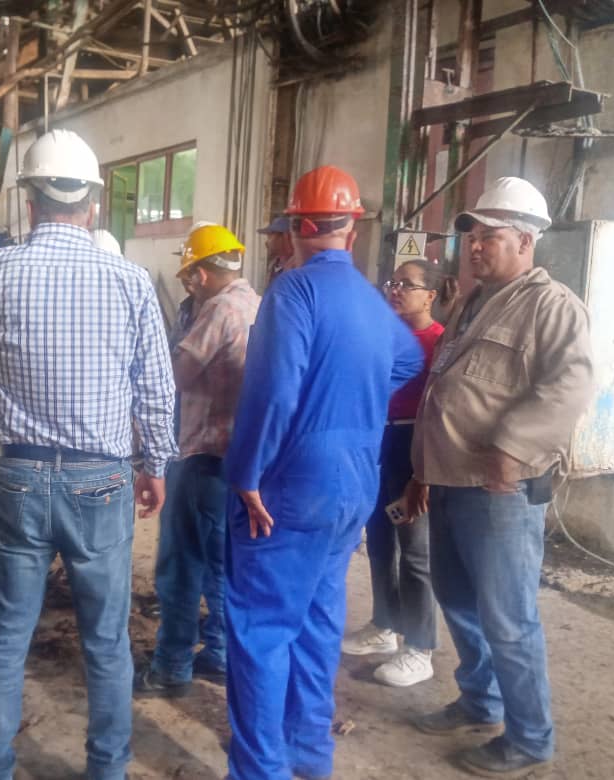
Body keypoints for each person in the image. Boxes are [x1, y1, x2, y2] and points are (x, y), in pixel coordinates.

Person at [0, 128, 176, 780]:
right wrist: (155, 465)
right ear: (94, 204)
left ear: (29, 201)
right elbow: (156, 390)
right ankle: (107, 769)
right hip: (100, 481)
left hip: (18, 474)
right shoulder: (131, 280)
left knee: (5, 634)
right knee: (106, 641)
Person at [221, 165, 424, 780]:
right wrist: (349, 399)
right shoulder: (369, 297)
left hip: (290, 485)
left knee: (260, 630)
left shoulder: (293, 291)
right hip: (353, 483)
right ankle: (310, 756)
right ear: (352, 230)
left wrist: (248, 473)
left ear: (297, 227)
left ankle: (261, 772)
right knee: (316, 621)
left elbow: (273, 392)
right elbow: (410, 357)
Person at [409, 177, 594, 777]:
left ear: (525, 241)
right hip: (453, 478)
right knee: (458, 600)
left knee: (510, 619)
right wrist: (423, 470)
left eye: (490, 237)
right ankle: (480, 699)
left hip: (500, 489)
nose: (475, 248)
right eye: (473, 237)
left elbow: (569, 388)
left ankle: (530, 737)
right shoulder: (470, 300)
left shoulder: (552, 306)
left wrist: (511, 451)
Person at [135, 223, 260, 698]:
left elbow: (174, 377)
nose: (186, 282)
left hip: (201, 453)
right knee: (219, 565)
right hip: (235, 458)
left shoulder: (219, 310)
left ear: (204, 273)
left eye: (190, 273)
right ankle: (221, 653)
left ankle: (171, 666)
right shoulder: (254, 302)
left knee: (180, 565)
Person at [341, 259, 445, 687]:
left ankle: (419, 649)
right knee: (381, 541)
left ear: (431, 295)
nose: (396, 290)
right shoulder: (383, 334)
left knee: (416, 552)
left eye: (408, 284)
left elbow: (440, 410)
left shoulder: (440, 341)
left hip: (413, 445)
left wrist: (423, 471)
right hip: (377, 442)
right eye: (393, 282)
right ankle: (384, 626)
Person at [257, 214, 293, 283]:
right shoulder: (273, 265)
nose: (266, 242)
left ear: (284, 237)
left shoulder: (296, 266)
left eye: (270, 236)